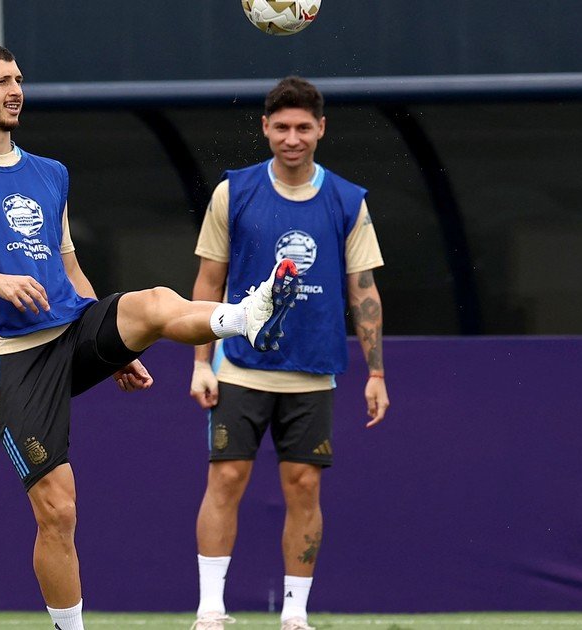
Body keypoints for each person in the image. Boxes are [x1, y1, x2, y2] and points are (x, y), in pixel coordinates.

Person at [0, 42, 302, 630]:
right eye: (2, 82)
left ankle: (245, 316)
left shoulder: (50, 173)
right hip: (10, 355)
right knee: (58, 511)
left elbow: (68, 268)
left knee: (154, 303)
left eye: (19, 79)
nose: (16, 91)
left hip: (71, 330)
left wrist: (110, 346)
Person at [187, 76, 390, 630]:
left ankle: (295, 615)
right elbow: (208, 283)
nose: (292, 138)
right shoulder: (234, 192)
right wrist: (201, 362)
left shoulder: (347, 200)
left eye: (303, 127)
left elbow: (363, 291)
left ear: (321, 128)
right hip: (239, 368)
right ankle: (210, 610)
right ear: (265, 128)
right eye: (281, 127)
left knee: (304, 487)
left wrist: (375, 373)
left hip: (313, 373)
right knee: (226, 480)